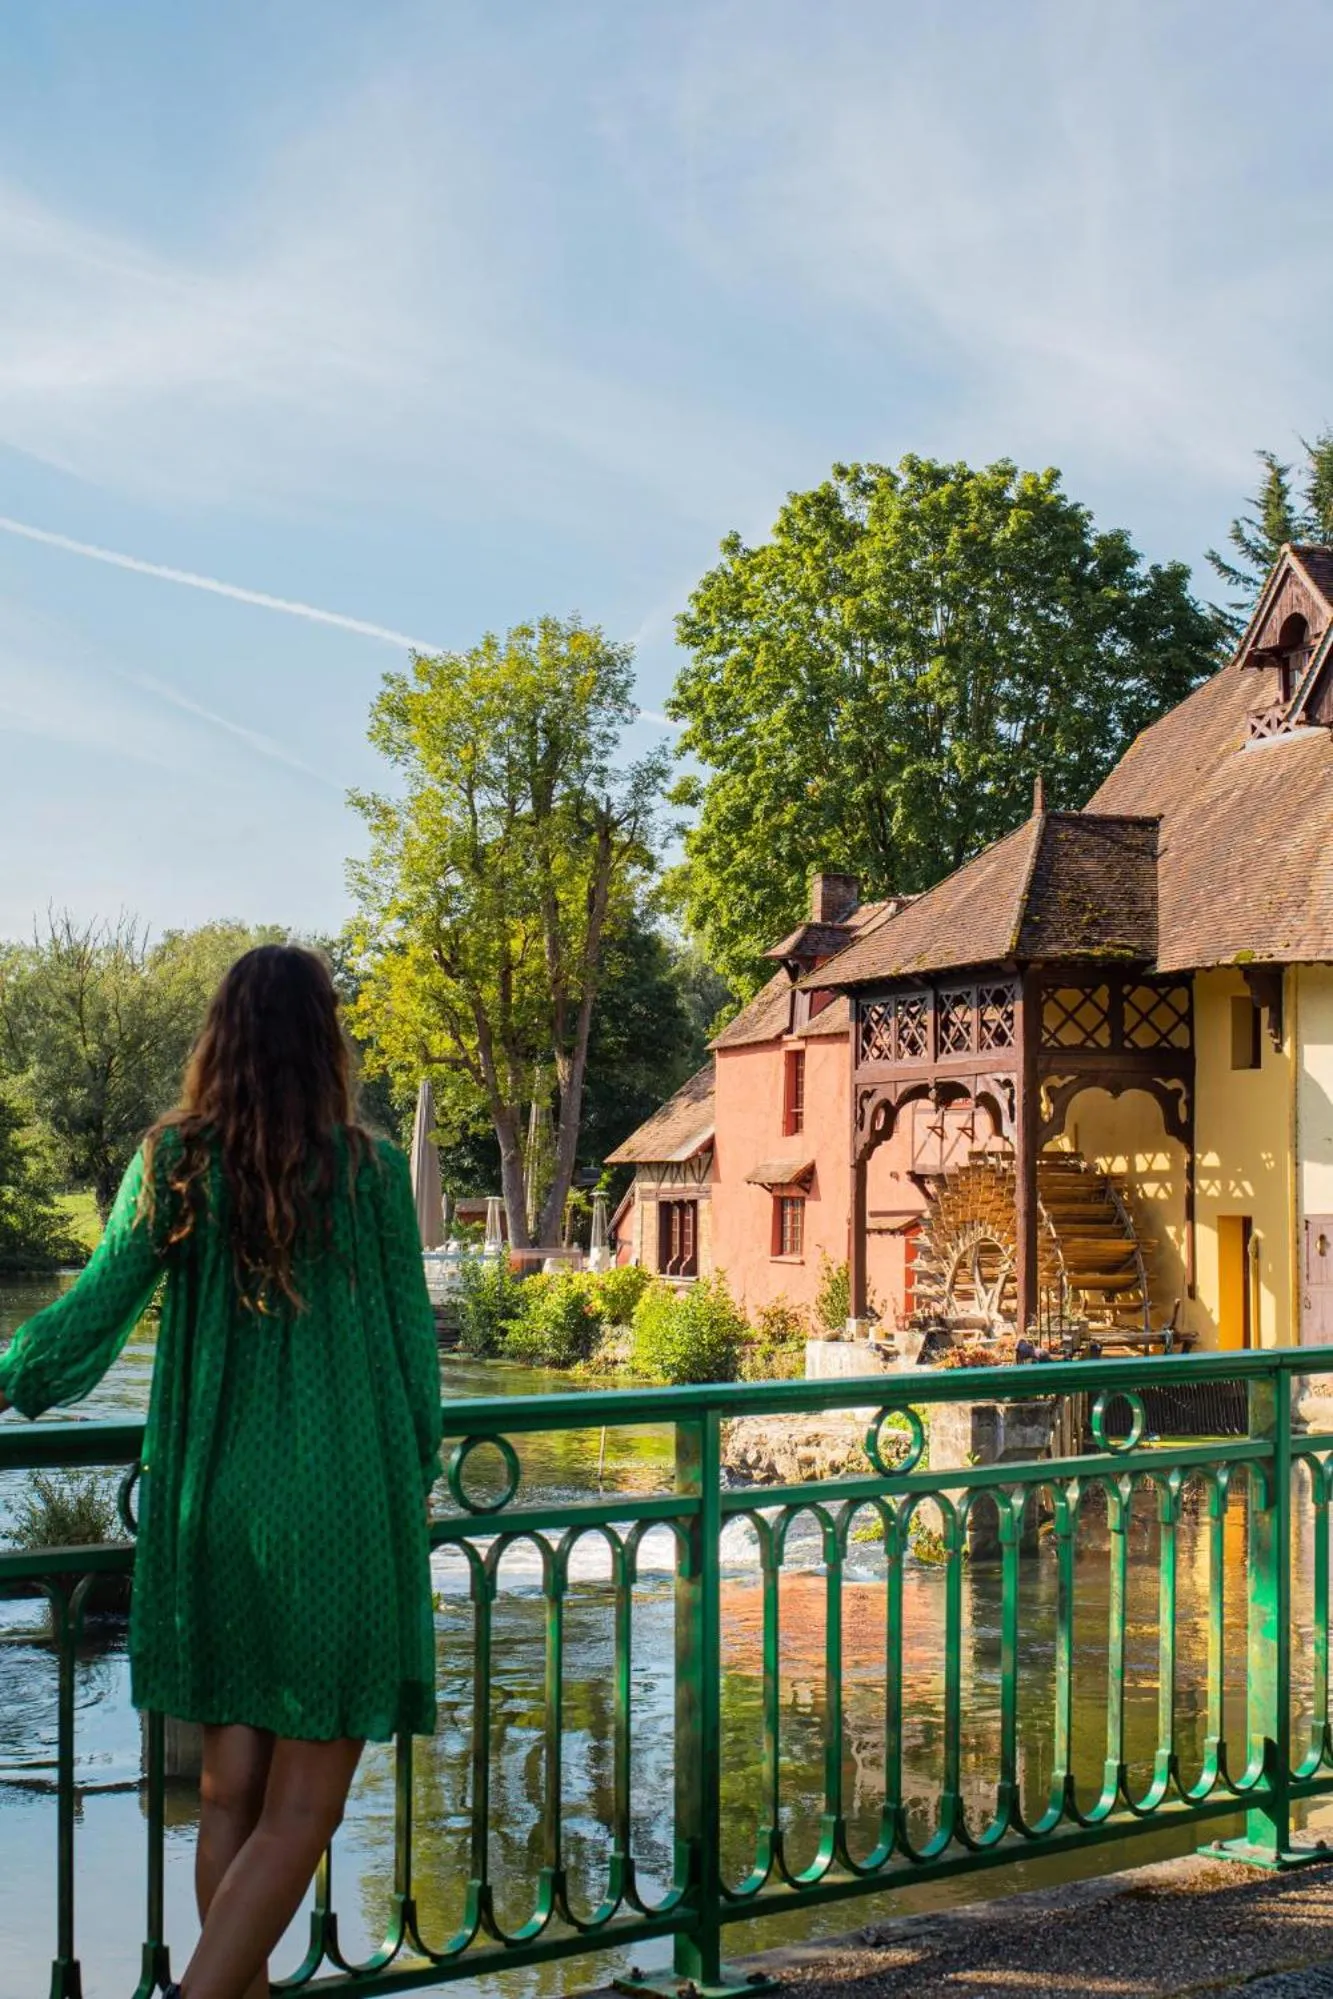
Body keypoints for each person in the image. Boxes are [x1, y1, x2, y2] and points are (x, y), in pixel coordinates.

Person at [0, 945, 442, 1999]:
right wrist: (406, 1476)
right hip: (339, 1505)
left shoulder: (174, 1162)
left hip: (214, 1506)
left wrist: (14, 1376)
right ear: (325, 1042)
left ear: (220, 1038)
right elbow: (413, 1357)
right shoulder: (371, 1176)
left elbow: (88, 1319)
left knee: (230, 1790)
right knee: (304, 1810)